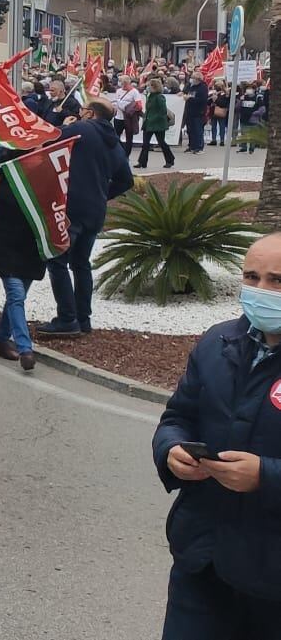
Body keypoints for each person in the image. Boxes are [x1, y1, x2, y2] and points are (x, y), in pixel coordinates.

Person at [154, 231, 281, 637]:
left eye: (278, 280)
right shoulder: (216, 343)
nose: (261, 290)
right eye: (252, 277)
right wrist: (171, 449)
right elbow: (177, 416)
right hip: (201, 558)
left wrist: (266, 475)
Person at [39, 97, 129, 338]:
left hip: (72, 207)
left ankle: (67, 318)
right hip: (95, 210)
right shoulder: (114, 143)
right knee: (80, 263)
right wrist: (102, 194)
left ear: (89, 114)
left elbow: (45, 138)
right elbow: (126, 180)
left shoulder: (80, 130)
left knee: (57, 260)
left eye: (82, 110)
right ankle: (83, 317)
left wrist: (61, 121)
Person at [0, 146, 45, 372]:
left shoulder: (43, 178)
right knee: (16, 295)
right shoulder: (1, 174)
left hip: (30, 249)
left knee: (17, 296)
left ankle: (1, 340)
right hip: (3, 245)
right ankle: (25, 349)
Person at [140, 77, 176, 171]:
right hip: (148, 123)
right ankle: (142, 162)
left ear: (154, 87)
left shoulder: (160, 97)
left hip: (158, 124)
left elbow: (162, 111)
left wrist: (153, 118)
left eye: (150, 86)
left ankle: (170, 160)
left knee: (161, 142)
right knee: (145, 143)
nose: (148, 87)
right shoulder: (150, 96)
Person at [186, 73, 212, 153]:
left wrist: (189, 99)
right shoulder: (192, 87)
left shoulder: (203, 88)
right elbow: (187, 93)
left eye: (193, 78)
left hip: (198, 112)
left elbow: (202, 100)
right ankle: (192, 146)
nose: (191, 80)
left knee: (198, 130)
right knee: (190, 130)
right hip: (190, 111)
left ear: (197, 79)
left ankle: (199, 147)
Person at [210, 80, 231, 147]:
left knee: (222, 126)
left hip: (221, 111)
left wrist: (216, 100)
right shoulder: (213, 93)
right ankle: (213, 139)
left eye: (219, 86)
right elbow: (208, 102)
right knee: (213, 127)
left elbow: (224, 103)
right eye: (216, 86)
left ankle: (222, 140)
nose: (217, 87)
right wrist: (212, 100)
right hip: (213, 112)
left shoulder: (225, 94)